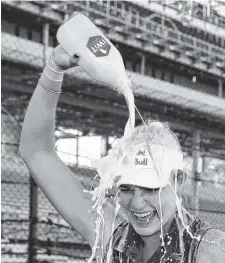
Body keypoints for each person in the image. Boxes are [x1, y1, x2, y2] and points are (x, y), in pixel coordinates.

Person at [20, 45, 225, 263]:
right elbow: (36, 151)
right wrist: (53, 68)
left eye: (150, 189)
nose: (137, 204)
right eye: (126, 189)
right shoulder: (111, 236)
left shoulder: (209, 250)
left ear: (178, 179)